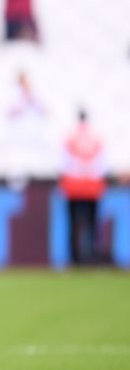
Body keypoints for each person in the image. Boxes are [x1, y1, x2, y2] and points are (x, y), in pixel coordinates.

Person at [59, 110, 107, 266]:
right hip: (93, 185)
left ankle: (74, 258)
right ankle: (91, 256)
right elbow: (103, 163)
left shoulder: (70, 136)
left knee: (73, 224)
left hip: (73, 185)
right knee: (92, 224)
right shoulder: (97, 136)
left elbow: (63, 162)